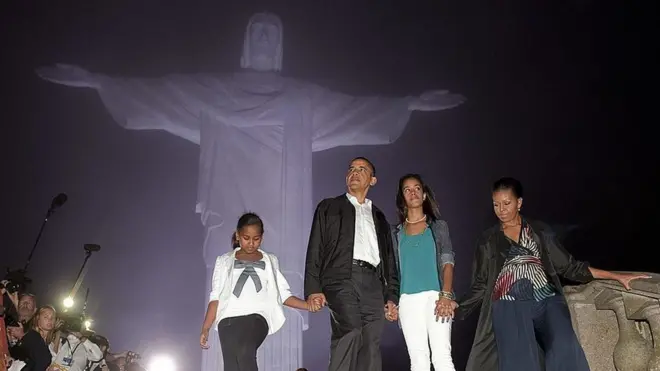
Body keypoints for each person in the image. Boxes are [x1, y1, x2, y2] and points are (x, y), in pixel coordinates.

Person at [456, 177, 650, 371]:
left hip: (546, 297)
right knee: (521, 362)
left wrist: (616, 276)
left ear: (519, 203)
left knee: (565, 347)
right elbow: (481, 283)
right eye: (496, 204)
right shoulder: (488, 239)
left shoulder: (539, 231)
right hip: (508, 303)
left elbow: (569, 267)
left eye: (507, 203)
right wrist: (456, 304)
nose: (501, 210)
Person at [304, 157, 399, 371]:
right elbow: (315, 247)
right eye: (351, 169)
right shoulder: (329, 206)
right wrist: (313, 288)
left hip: (374, 283)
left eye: (362, 169)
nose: (354, 172)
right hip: (341, 278)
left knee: (371, 342)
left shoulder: (380, 217)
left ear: (372, 180)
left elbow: (389, 261)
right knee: (350, 329)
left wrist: (391, 296)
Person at [200, 212, 319, 371]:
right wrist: (205, 328)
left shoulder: (270, 260)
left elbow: (283, 294)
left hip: (257, 317)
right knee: (231, 366)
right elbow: (215, 298)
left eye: (256, 239)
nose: (251, 243)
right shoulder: (223, 261)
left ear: (261, 238)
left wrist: (308, 305)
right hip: (228, 319)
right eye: (246, 238)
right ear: (238, 235)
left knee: (245, 351)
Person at [390, 174, 457, 371]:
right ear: (402, 198)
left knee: (442, 357)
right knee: (418, 361)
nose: (413, 192)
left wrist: (446, 295)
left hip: (436, 297)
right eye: (407, 189)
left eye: (417, 188)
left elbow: (448, 262)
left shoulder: (438, 227)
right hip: (407, 301)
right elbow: (393, 272)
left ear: (424, 194)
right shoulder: (395, 234)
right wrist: (392, 302)